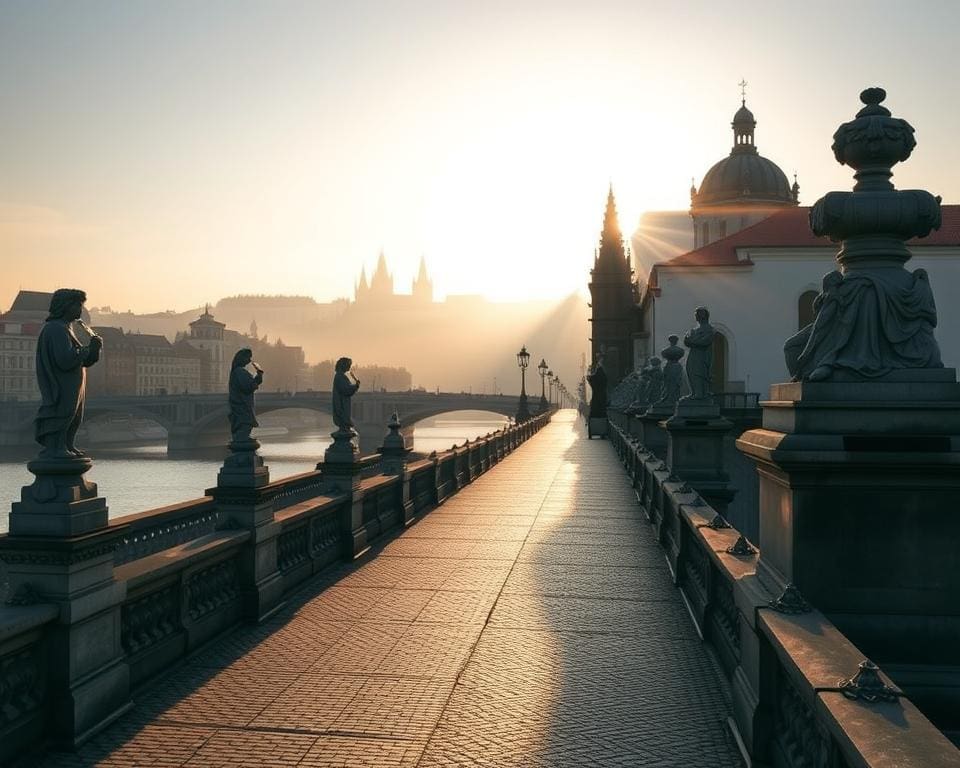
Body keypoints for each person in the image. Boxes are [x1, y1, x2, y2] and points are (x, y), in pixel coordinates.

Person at [34, 288, 102, 458]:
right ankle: (56, 448)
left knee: (74, 415)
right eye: (78, 305)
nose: (80, 310)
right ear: (65, 306)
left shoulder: (66, 328)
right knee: (62, 414)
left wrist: (94, 349)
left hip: (72, 385)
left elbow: (82, 360)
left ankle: (67, 445)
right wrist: (87, 350)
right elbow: (65, 360)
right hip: (62, 386)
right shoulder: (56, 329)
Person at [228, 348, 264, 443]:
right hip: (242, 404)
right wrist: (258, 376)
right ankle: (242, 438)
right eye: (248, 358)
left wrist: (259, 376)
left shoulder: (238, 371)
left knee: (244, 422)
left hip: (241, 403)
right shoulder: (239, 372)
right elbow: (248, 387)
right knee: (245, 421)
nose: (249, 360)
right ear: (241, 358)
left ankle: (242, 437)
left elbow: (250, 385)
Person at [681, 307, 716, 401]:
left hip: (702, 356)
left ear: (703, 316)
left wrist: (692, 341)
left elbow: (705, 342)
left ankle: (700, 394)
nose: (695, 316)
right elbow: (687, 341)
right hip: (693, 354)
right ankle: (694, 392)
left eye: (698, 314)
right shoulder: (694, 329)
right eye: (695, 314)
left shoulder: (709, 329)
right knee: (690, 371)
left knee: (699, 373)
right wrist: (691, 341)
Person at [332, 357, 361, 434]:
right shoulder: (340, 376)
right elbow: (346, 390)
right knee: (343, 418)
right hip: (342, 404)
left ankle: (345, 426)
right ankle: (344, 425)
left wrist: (355, 386)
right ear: (343, 365)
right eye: (348, 365)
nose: (349, 367)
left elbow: (346, 388)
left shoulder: (340, 376)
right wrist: (356, 386)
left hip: (342, 403)